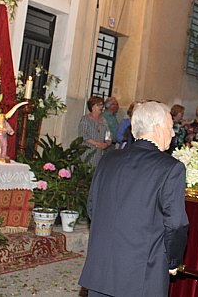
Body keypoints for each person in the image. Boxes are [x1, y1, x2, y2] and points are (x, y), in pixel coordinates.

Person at [79, 101, 189, 297]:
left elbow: (92, 207)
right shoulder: (170, 168)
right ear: (157, 127)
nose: (173, 134)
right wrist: (173, 260)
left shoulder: (109, 158)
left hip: (101, 267)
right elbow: (175, 223)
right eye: (170, 127)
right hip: (141, 273)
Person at [79, 96, 112, 167]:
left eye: (102, 105)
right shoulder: (85, 119)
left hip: (100, 154)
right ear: (92, 107)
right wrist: (97, 144)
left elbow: (108, 135)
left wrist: (107, 143)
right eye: (98, 105)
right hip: (88, 152)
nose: (101, 107)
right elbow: (83, 135)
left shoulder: (103, 120)